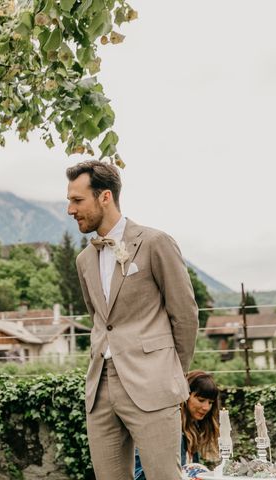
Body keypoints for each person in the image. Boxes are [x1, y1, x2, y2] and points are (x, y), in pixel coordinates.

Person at [66, 160, 198, 480]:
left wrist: (170, 373)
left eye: (77, 200)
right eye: (69, 200)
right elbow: (98, 318)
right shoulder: (84, 259)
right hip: (101, 388)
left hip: (152, 382)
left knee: (164, 476)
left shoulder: (155, 243)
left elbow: (185, 314)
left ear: (105, 197)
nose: (70, 209)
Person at [135, 370, 221, 479]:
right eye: (201, 400)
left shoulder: (193, 432)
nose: (206, 407)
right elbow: (139, 472)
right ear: (185, 396)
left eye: (210, 403)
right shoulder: (165, 430)